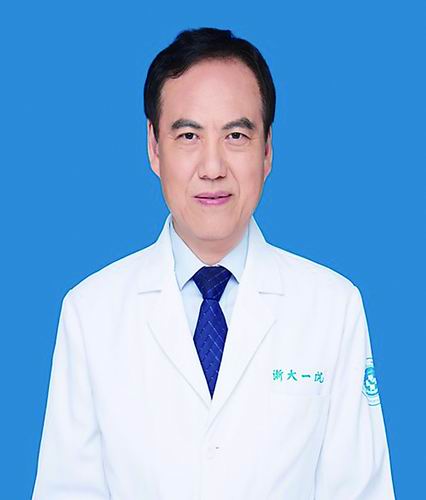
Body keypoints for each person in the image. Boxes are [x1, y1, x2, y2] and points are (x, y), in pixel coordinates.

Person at [32, 27, 395, 499]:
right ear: (154, 147)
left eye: (236, 135)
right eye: (188, 135)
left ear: (267, 150)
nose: (212, 167)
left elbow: (362, 491)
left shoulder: (333, 306)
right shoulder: (90, 312)